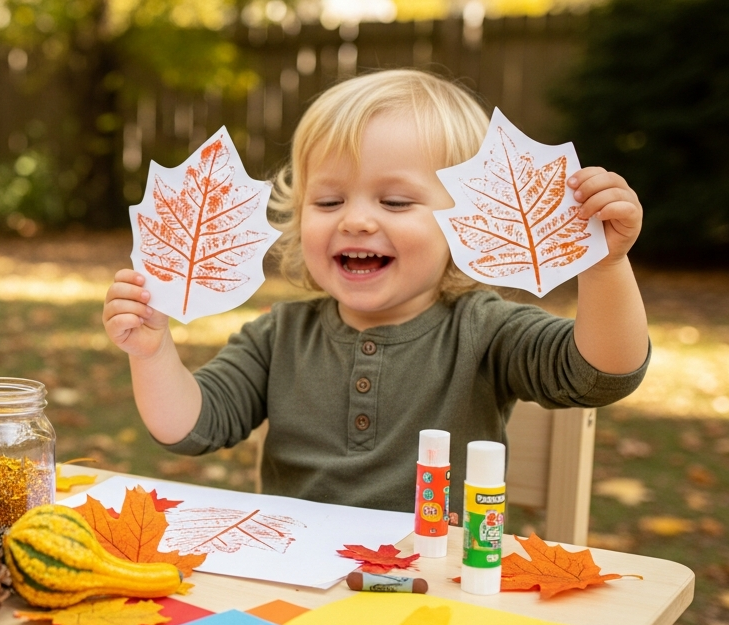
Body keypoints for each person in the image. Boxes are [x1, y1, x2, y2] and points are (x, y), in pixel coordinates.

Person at [102, 69, 648, 514]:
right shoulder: (279, 335)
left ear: (467, 222)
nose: (357, 221)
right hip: (299, 582)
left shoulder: (485, 329)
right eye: (329, 202)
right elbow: (192, 427)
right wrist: (153, 353)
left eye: (395, 202)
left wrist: (604, 265)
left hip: (442, 585)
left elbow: (600, 373)